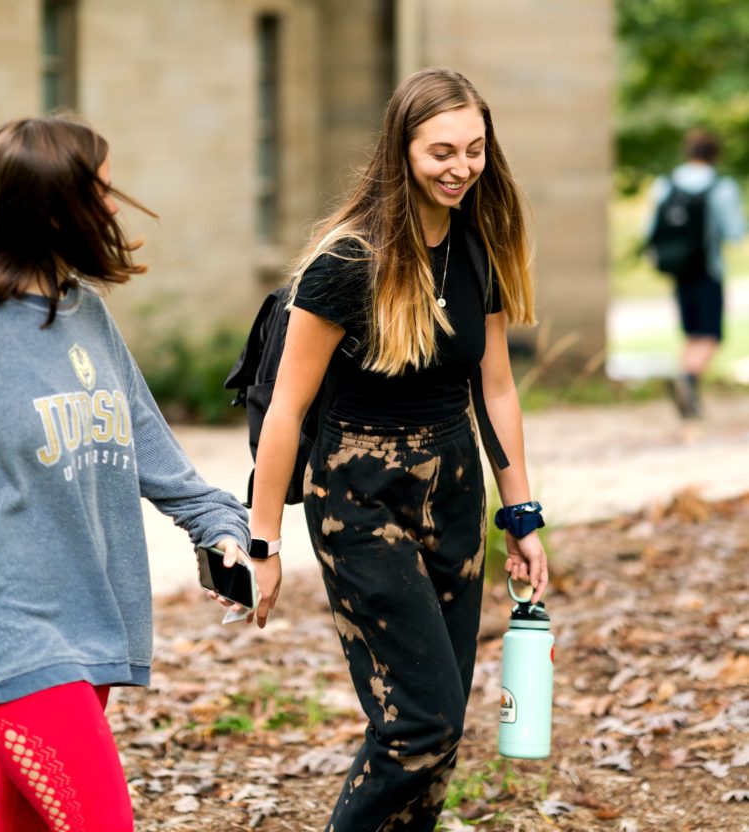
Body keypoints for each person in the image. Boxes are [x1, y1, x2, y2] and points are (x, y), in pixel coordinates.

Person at [245, 67, 549, 832]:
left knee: (438, 736)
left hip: (453, 489)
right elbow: (287, 407)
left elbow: (498, 388)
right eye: (441, 151)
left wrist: (523, 515)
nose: (461, 168)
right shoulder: (347, 262)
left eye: (475, 149)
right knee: (418, 726)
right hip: (358, 496)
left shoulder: (477, 245)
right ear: (401, 150)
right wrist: (263, 541)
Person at [0, 116, 250, 831]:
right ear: (49, 207)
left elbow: (159, 459)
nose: (114, 205)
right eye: (99, 190)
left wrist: (222, 529)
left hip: (92, 627)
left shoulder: (85, 315)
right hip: (10, 638)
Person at [646, 129, 746, 418]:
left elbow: (649, 229)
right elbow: (735, 233)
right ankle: (687, 379)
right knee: (711, 334)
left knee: (691, 332)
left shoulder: (665, 184)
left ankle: (689, 393)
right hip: (708, 268)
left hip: (677, 269)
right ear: (716, 154)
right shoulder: (721, 187)